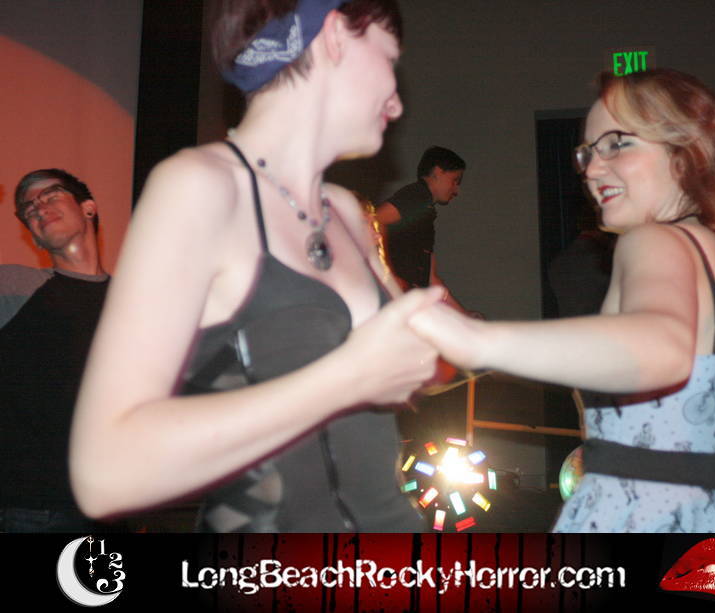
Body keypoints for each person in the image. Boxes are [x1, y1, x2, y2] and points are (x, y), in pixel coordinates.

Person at [70, 0, 442, 533]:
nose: (398, 103)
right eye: (389, 57)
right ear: (334, 35)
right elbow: (105, 473)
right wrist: (348, 378)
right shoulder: (200, 187)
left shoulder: (347, 214)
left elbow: (408, 374)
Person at [409, 68, 715, 532]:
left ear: (684, 152)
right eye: (587, 152)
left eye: (617, 144)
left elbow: (659, 349)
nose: (592, 169)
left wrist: (472, 339)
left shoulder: (654, 241)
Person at [1, 169, 109, 532]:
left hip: (110, 507)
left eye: (51, 195)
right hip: (34, 509)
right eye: (29, 208)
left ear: (88, 208)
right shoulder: (16, 287)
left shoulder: (133, 299)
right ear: (33, 235)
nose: (38, 207)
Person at [375, 146, 470, 313]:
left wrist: (463, 316)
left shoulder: (425, 212)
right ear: (438, 172)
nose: (456, 189)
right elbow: (374, 222)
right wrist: (387, 274)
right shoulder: (416, 196)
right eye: (455, 180)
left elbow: (432, 280)